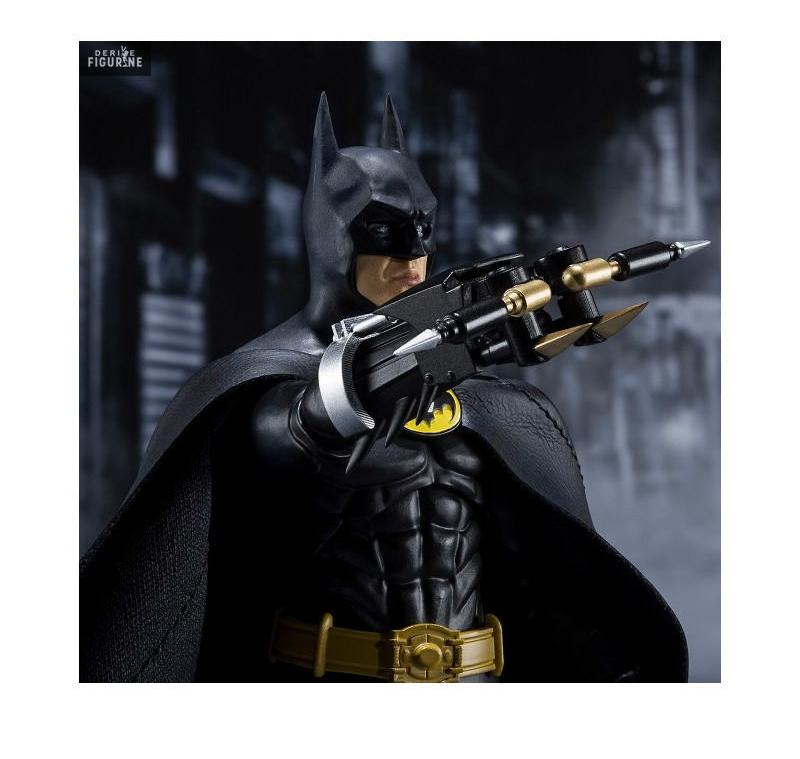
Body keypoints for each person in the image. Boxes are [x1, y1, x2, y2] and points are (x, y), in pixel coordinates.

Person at [80, 94, 688, 683]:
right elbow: (284, 435)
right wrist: (351, 394)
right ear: (331, 234)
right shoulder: (261, 381)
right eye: (383, 229)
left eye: (422, 227)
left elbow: (535, 576)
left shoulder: (477, 391)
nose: (413, 252)